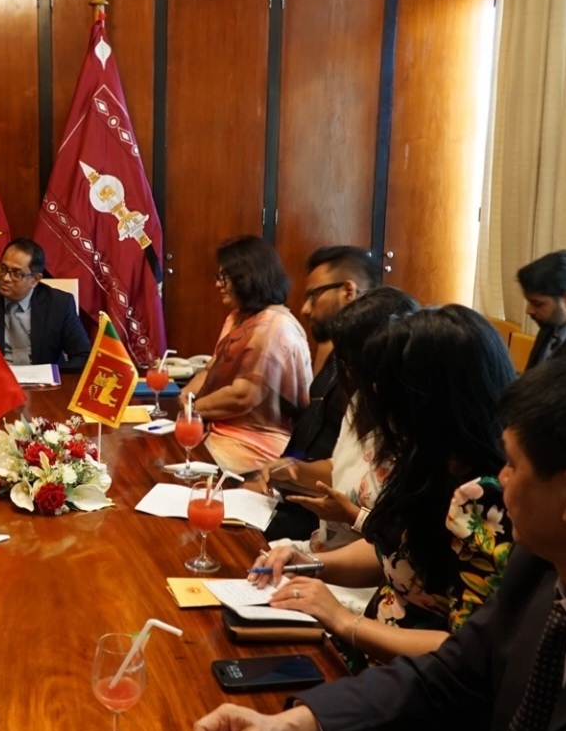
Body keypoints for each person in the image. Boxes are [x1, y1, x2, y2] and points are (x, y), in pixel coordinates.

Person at [194, 352, 566, 731]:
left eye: (512, 465)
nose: (501, 478)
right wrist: (291, 725)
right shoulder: (542, 564)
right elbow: (450, 672)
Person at [251, 306, 515, 664]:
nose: (380, 404)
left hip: (415, 681)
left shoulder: (488, 497)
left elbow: (466, 650)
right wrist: (310, 564)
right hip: (370, 657)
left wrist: (343, 620)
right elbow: (394, 553)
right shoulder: (429, 461)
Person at [268, 287, 419, 553]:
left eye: (352, 362)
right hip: (323, 548)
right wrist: (291, 469)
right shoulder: (362, 401)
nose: (346, 372)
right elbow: (341, 464)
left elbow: (402, 547)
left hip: (358, 568)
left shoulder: (417, 430)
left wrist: (351, 515)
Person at [264, 246, 380, 539]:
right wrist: (282, 471)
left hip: (326, 517)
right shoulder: (338, 355)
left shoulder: (372, 369)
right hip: (291, 494)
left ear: (348, 291)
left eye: (313, 295)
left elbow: (353, 469)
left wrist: (294, 471)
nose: (305, 309)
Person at [177, 236, 312, 473]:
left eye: (224, 277)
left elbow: (243, 396)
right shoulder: (237, 316)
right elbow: (212, 367)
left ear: (247, 277)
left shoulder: (273, 326)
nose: (218, 284)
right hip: (220, 431)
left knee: (174, 468)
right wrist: (185, 395)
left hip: (254, 443)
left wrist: (192, 409)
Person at [0, 238, 92, 372]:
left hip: (42, 381)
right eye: (3, 268)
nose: (5, 278)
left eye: (17, 274)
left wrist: (51, 373)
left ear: (35, 279)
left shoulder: (59, 304)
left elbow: (84, 356)